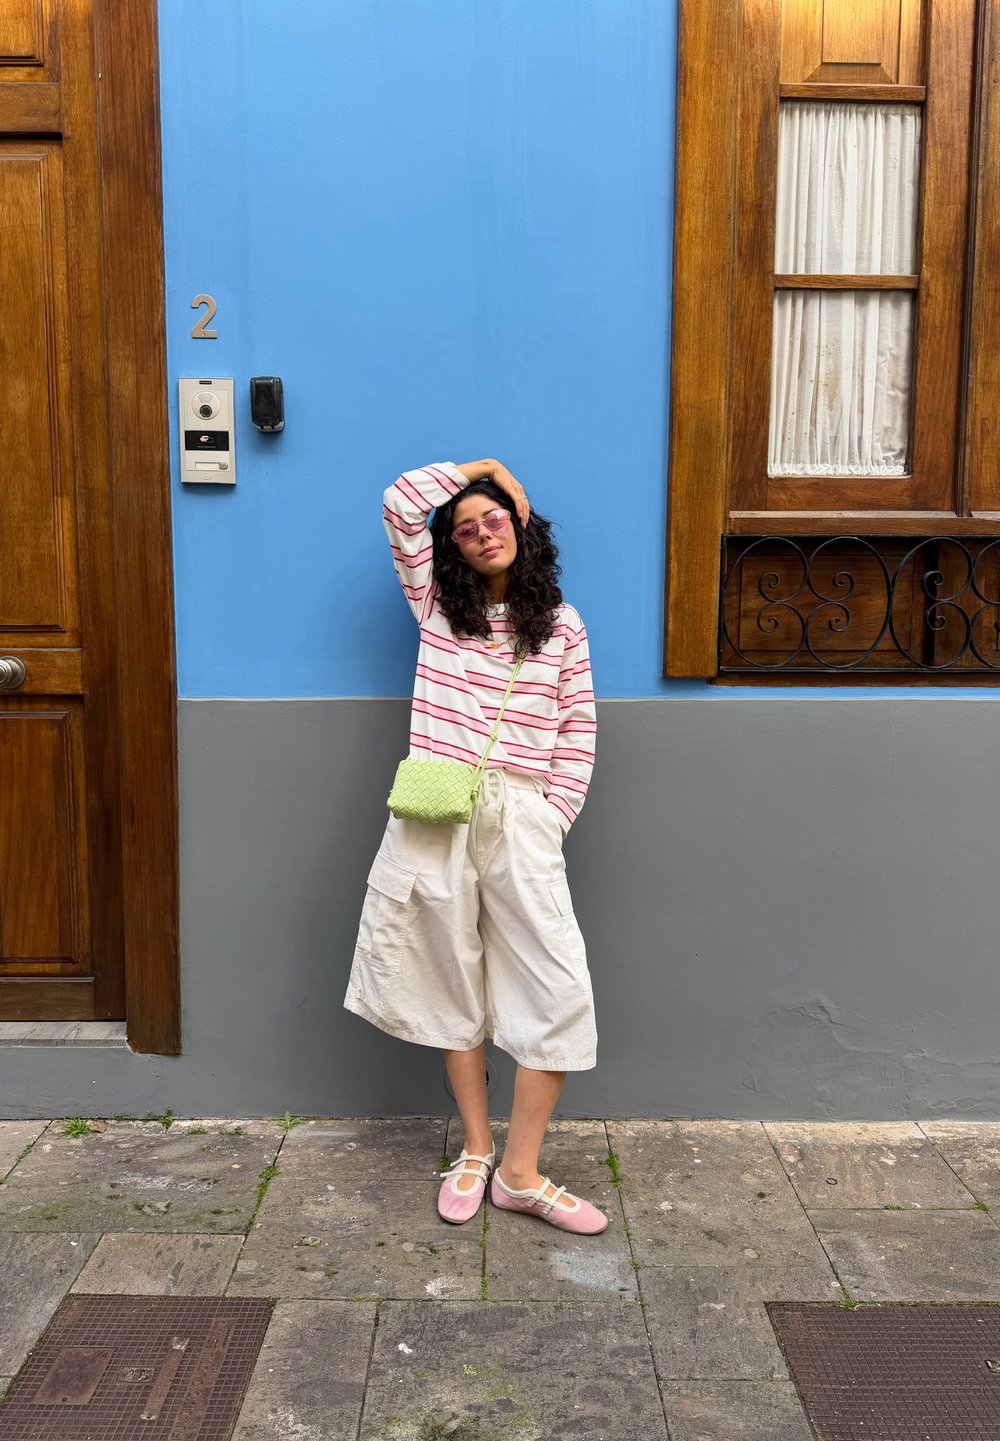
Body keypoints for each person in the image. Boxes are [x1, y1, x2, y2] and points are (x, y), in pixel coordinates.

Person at [343, 458, 605, 1235]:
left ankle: (520, 1173)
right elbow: (400, 504)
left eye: (494, 517)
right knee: (447, 976)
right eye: (465, 528)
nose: (483, 533)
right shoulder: (435, 607)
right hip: (436, 807)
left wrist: (550, 816)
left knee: (556, 986)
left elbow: (577, 726)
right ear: (450, 547)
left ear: (520, 525)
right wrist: (484, 468)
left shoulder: (562, 623)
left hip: (523, 814)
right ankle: (477, 1148)